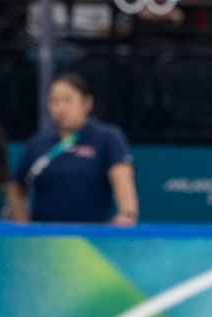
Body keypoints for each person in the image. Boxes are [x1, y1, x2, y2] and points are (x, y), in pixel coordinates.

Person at [8, 73, 138, 225]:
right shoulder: (38, 143)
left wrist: (127, 213)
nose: (60, 108)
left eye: (67, 100)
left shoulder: (107, 137)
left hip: (91, 234)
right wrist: (23, 226)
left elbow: (121, 176)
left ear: (87, 102)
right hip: (44, 235)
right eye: (54, 101)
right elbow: (16, 186)